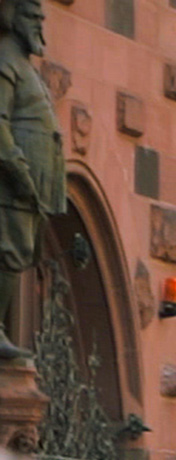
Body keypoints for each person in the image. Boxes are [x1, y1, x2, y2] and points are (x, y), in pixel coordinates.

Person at [0, 0, 65, 361]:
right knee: (8, 252)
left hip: (30, 188)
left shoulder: (24, 65)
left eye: (42, 17)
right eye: (32, 17)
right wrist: (17, 169)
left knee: (18, 252)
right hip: (13, 184)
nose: (39, 24)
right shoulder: (6, 60)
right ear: (13, 19)